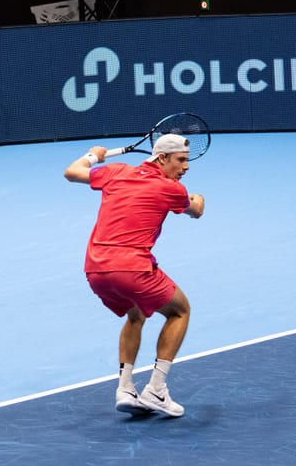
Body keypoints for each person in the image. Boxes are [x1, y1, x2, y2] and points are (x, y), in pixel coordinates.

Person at [64, 133, 205, 417]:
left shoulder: (115, 172)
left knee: (136, 314)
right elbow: (196, 210)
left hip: (96, 270)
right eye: (181, 160)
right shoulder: (171, 189)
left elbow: (72, 172)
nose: (186, 167)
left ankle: (125, 389)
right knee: (180, 311)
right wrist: (197, 198)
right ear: (162, 158)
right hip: (132, 269)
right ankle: (156, 389)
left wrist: (94, 156)